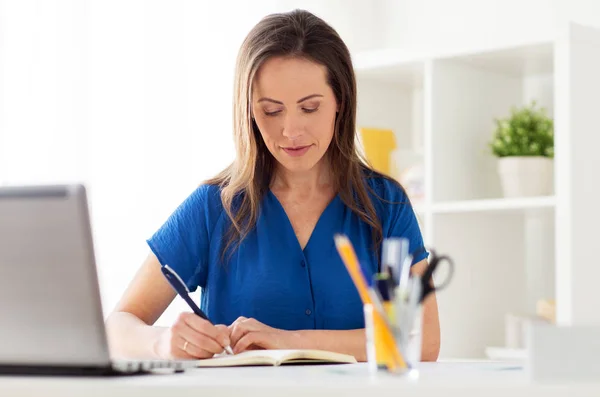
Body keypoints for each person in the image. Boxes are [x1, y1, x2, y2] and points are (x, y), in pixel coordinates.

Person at [105, 9, 440, 363]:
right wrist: (163, 343)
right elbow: (116, 327)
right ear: (249, 110)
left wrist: (289, 340)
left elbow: (422, 340)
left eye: (309, 108)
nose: (291, 131)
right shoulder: (213, 206)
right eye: (271, 111)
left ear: (340, 101)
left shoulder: (385, 203)